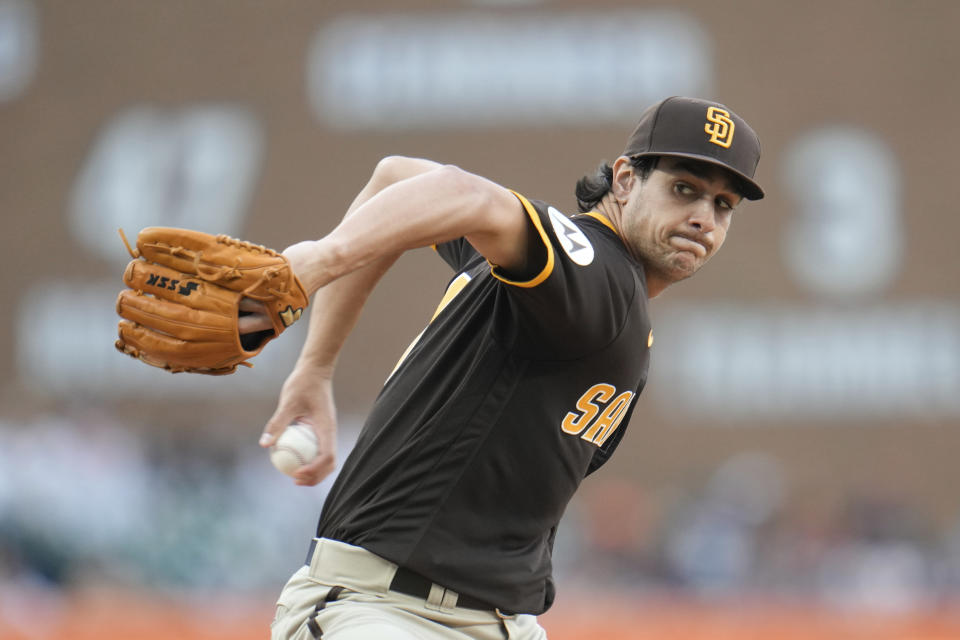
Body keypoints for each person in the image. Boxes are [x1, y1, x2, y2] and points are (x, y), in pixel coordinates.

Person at [246, 96, 764, 640]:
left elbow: (393, 179)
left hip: (500, 623)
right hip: (386, 613)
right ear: (626, 180)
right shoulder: (592, 269)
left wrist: (315, 367)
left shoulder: (569, 287)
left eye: (723, 204)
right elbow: (463, 191)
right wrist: (315, 263)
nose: (703, 217)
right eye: (684, 189)